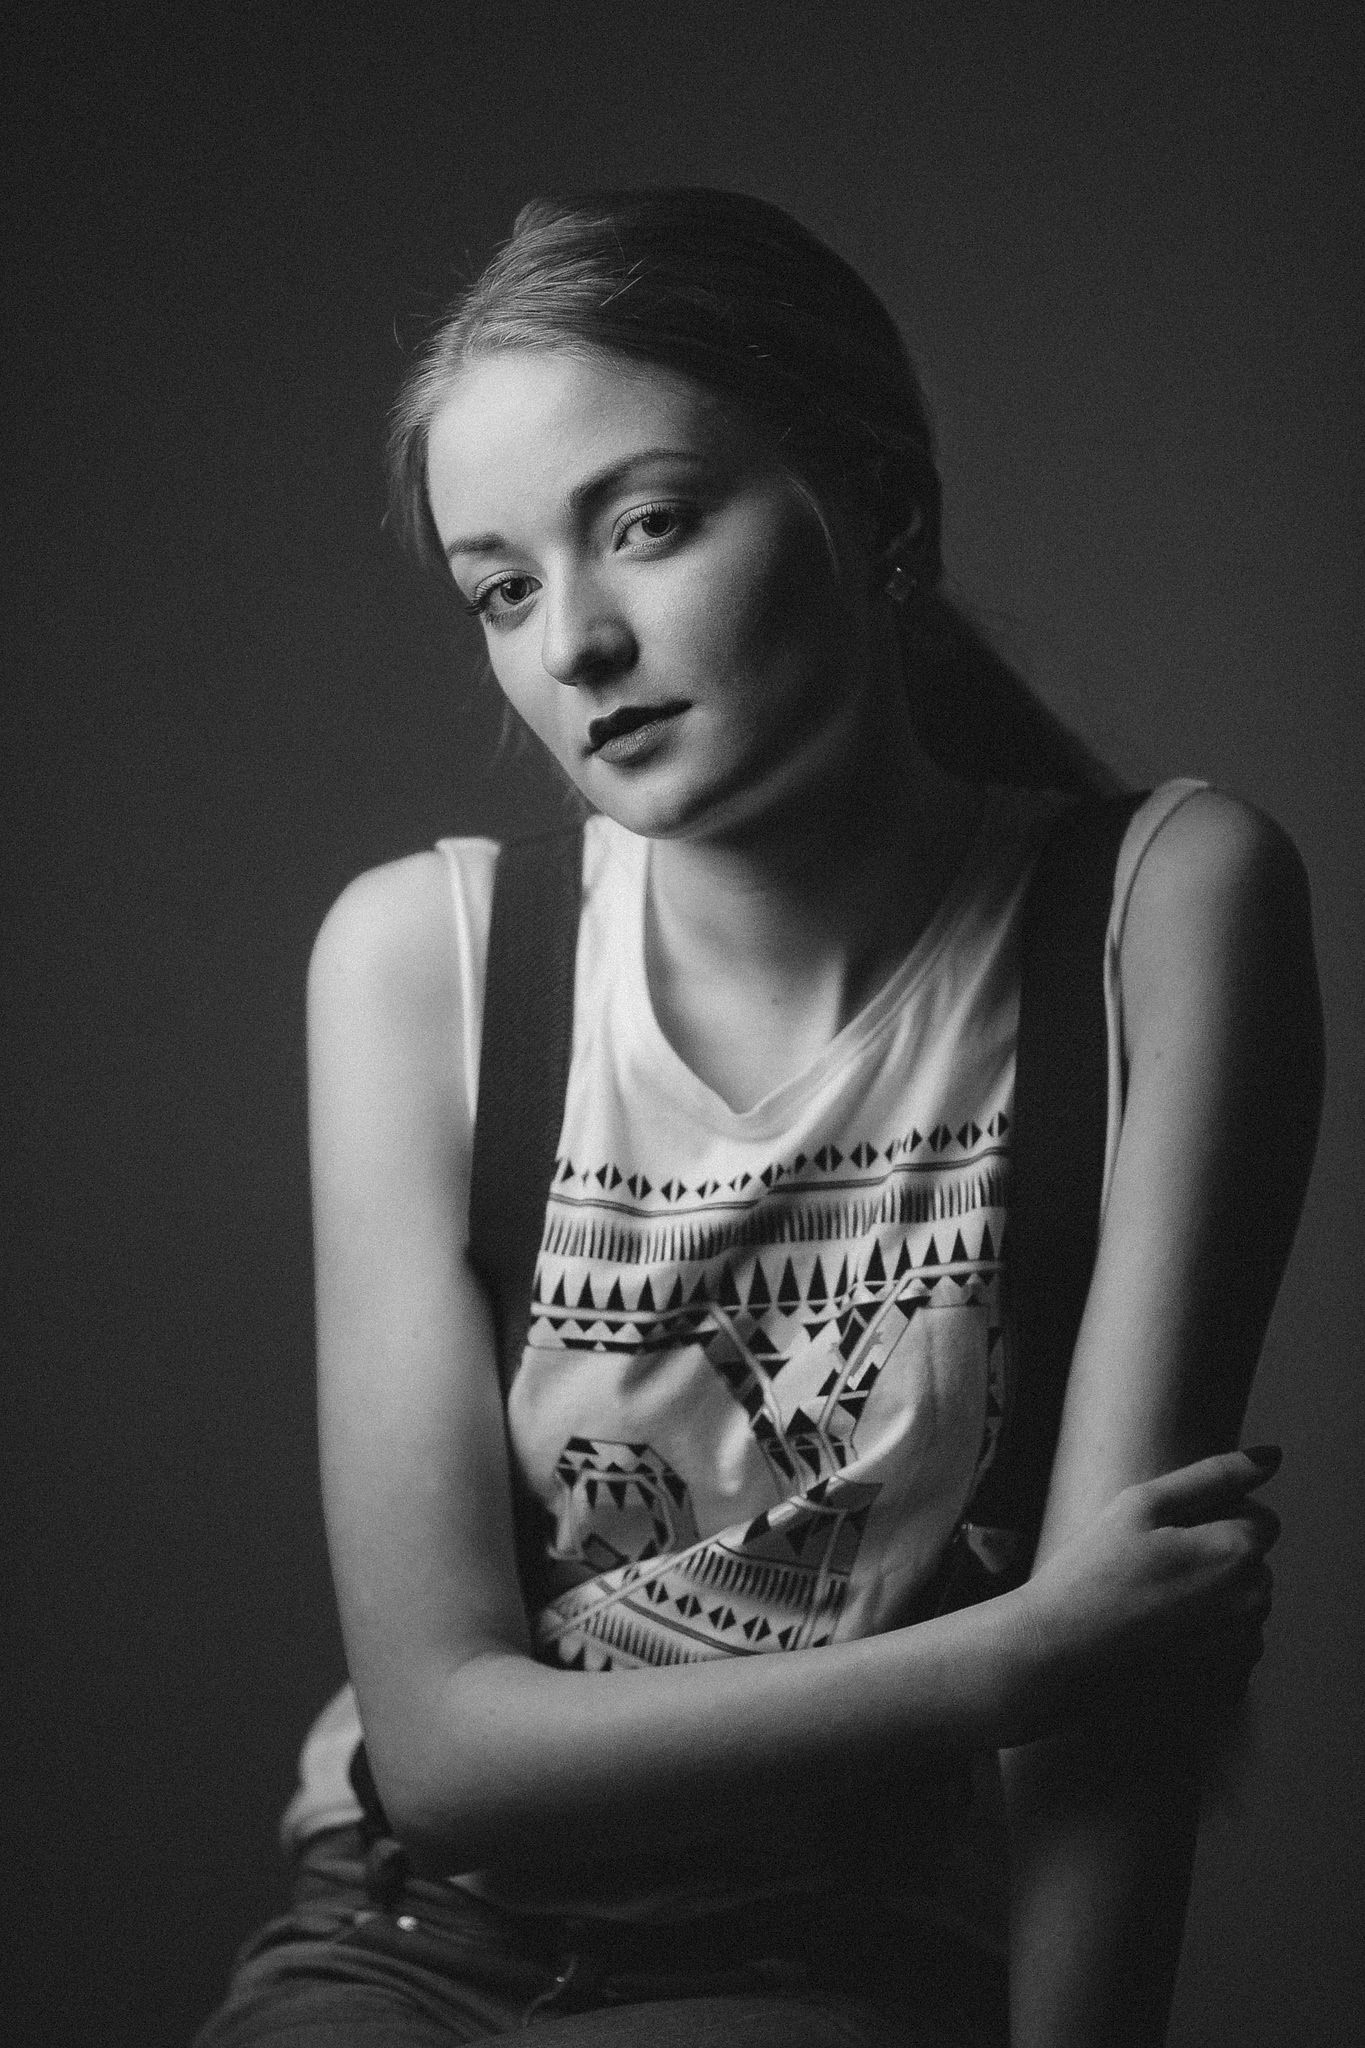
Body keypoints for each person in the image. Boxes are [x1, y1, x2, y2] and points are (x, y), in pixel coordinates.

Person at [194, 189, 1323, 2047]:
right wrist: (1024, 1653)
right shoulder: (426, 961)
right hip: (402, 1939)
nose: (574, 642)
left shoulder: (1152, 911)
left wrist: (1072, 1676)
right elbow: (449, 1755)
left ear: (880, 508)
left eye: (644, 523)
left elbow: (1122, 1709)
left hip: (829, 1957)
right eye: (500, 587)